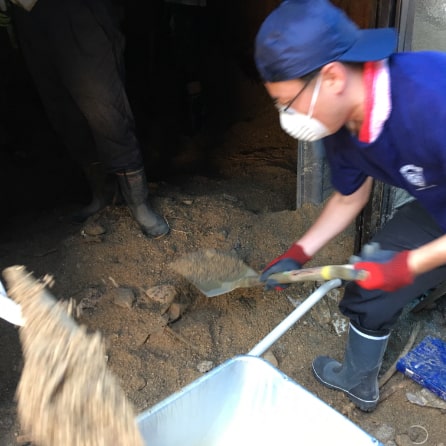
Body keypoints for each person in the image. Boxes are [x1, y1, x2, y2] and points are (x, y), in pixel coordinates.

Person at [255, 0, 446, 412]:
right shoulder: (337, 125)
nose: (287, 116)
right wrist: (299, 253)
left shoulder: (433, 97)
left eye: (288, 102)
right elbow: (349, 195)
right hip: (438, 209)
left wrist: (407, 266)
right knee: (367, 287)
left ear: (333, 76)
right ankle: (358, 381)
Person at [7, 0, 169, 238]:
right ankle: (102, 193)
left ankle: (139, 203)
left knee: (105, 104)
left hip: (75, 9)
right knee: (62, 109)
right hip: (26, 13)